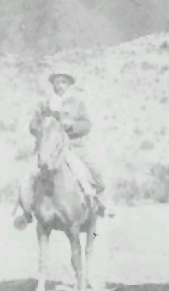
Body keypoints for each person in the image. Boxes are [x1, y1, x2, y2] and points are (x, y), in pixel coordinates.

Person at [13, 70, 114, 228]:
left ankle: (100, 204)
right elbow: (33, 124)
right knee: (27, 177)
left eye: (63, 82)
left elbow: (87, 124)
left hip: (73, 148)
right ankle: (25, 212)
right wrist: (42, 129)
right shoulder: (45, 104)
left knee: (94, 173)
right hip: (47, 149)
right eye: (57, 82)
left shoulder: (77, 104)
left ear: (69, 85)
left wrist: (71, 126)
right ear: (52, 84)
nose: (60, 86)